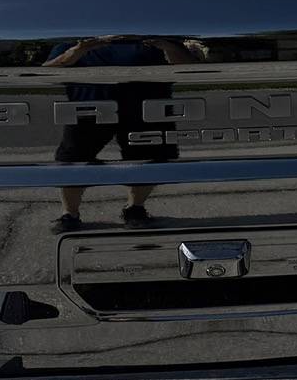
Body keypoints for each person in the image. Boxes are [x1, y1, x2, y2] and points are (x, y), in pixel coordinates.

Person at [43, 35, 196, 232]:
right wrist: (78, 51)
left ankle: (135, 208)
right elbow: (47, 71)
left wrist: (165, 45)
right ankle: (69, 214)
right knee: (71, 162)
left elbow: (187, 68)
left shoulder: (153, 35)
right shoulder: (77, 38)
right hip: (88, 109)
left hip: (146, 110)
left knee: (148, 162)